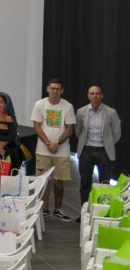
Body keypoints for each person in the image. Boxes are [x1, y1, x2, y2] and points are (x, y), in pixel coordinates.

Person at [32, 78, 76, 220]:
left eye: (58, 89)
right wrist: (48, 143)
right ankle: (44, 208)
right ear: (47, 89)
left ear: (62, 91)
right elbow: (37, 126)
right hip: (43, 150)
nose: (55, 91)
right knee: (44, 180)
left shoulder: (67, 106)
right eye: (52, 88)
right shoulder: (40, 104)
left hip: (61, 150)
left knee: (59, 180)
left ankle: (58, 209)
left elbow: (69, 129)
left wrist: (57, 143)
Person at [76, 86, 122, 208]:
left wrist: (108, 143)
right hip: (87, 151)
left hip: (104, 152)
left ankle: (102, 211)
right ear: (88, 96)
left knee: (104, 184)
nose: (95, 96)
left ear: (102, 95)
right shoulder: (81, 112)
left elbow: (117, 133)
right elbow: (78, 131)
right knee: (85, 184)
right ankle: (84, 211)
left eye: (97, 93)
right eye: (92, 93)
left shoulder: (111, 112)